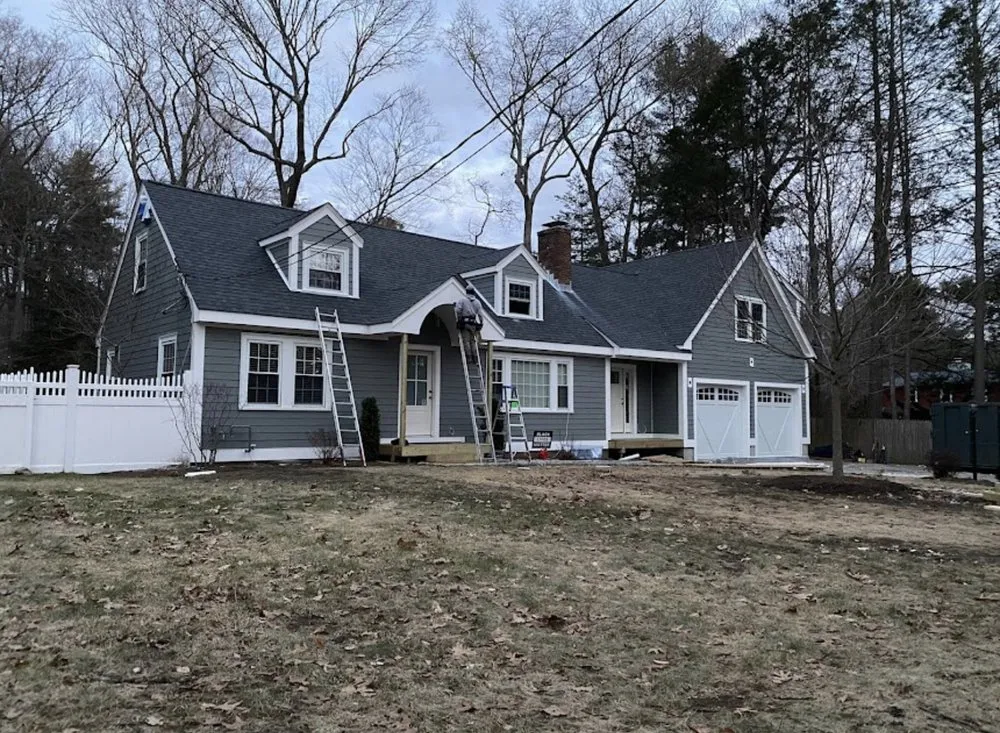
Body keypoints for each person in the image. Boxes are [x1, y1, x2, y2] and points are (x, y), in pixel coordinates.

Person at [455, 284, 484, 352]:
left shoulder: (462, 300)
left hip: (465, 324)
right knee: (473, 341)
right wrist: (481, 323)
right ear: (473, 292)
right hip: (473, 324)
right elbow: (480, 314)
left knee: (466, 341)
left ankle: (469, 358)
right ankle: (474, 358)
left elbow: (458, 310)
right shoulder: (477, 302)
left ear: (466, 292)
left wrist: (459, 319)